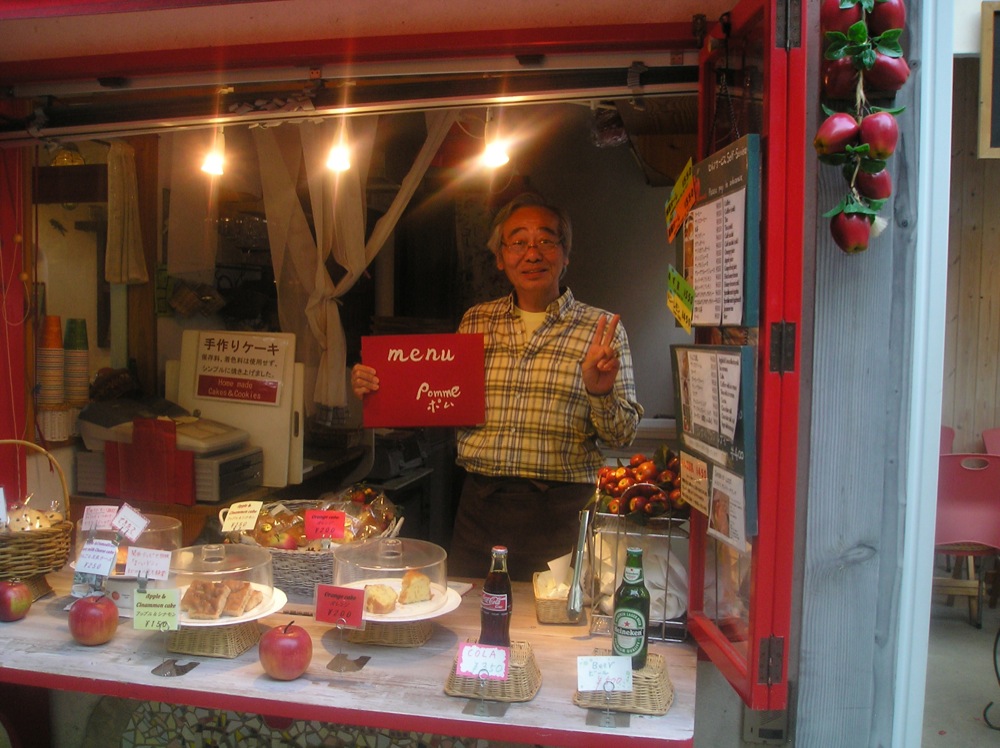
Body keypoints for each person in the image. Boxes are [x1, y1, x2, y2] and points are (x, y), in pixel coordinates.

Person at [351, 193, 643, 580]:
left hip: (561, 512)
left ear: (565, 253)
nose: (532, 253)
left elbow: (622, 437)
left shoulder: (601, 330)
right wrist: (380, 386)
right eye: (518, 242)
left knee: (554, 628)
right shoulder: (476, 322)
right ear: (501, 258)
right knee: (474, 618)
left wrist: (600, 391)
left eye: (546, 241)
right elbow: (435, 398)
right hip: (480, 508)